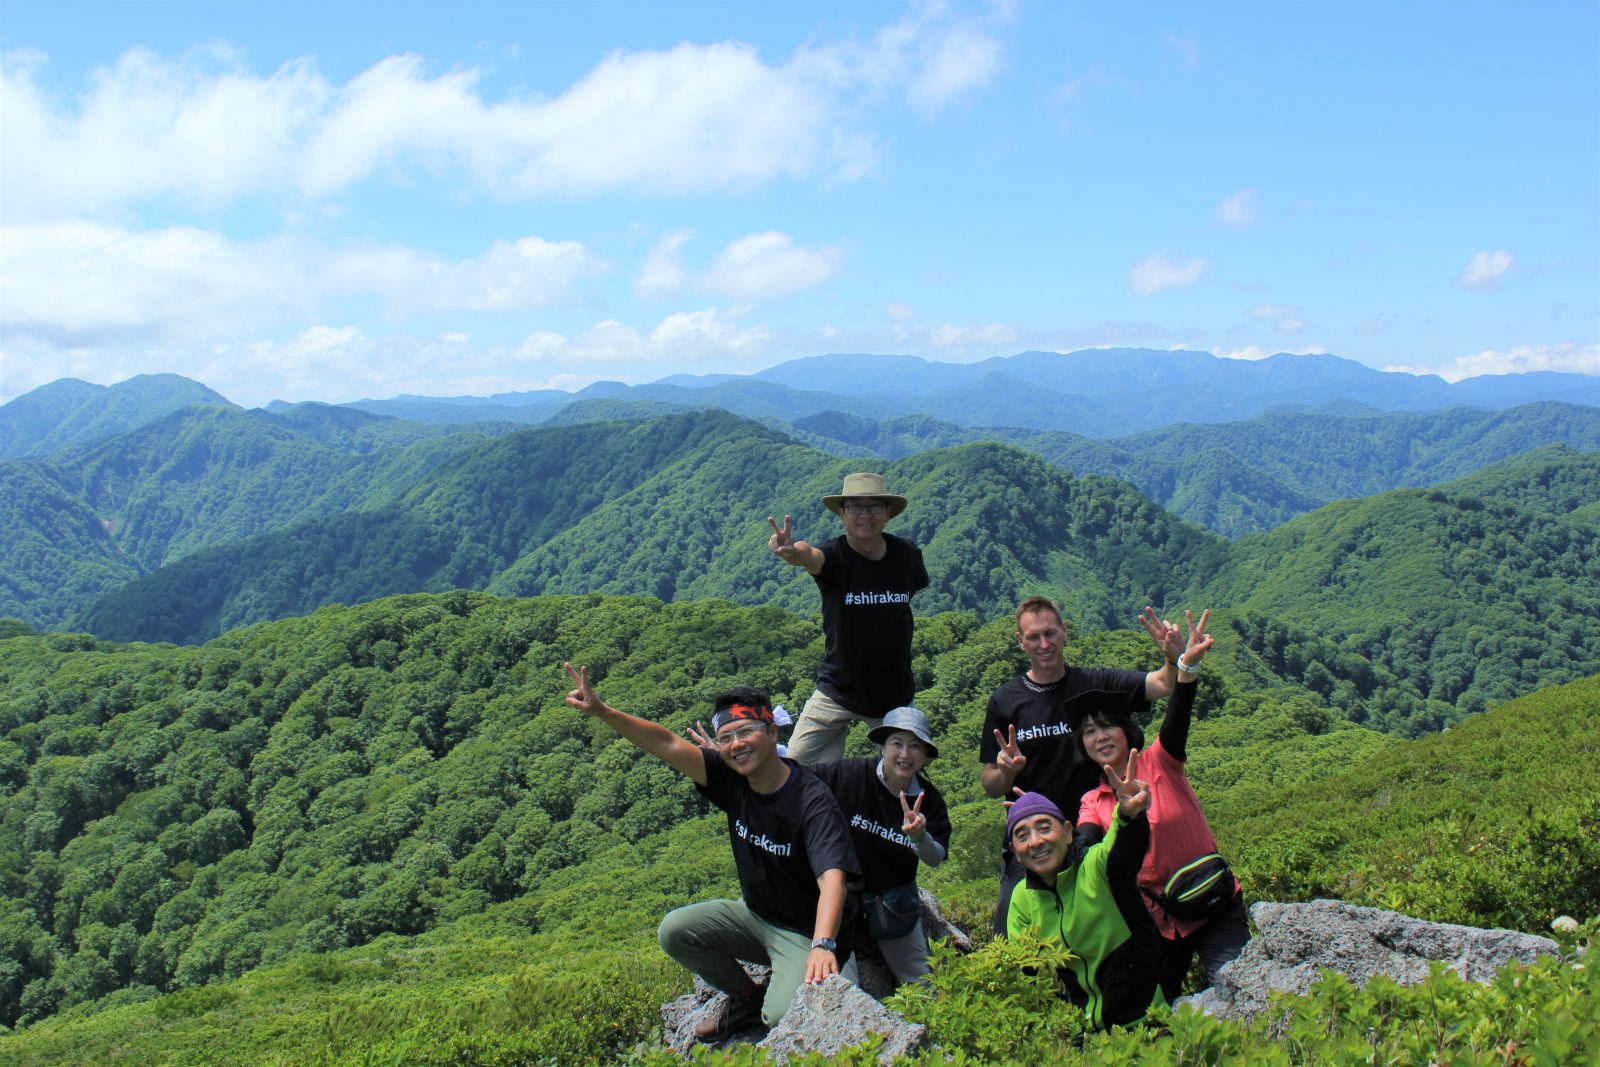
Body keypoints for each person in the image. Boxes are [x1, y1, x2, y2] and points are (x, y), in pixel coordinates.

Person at [562, 663, 859, 1041]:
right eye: (726, 737)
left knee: (783, 1014)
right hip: (758, 917)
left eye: (746, 731)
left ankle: (778, 993)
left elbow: (833, 879)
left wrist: (822, 945)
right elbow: (668, 744)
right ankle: (745, 996)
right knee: (675, 931)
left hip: (805, 931)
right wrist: (603, 711)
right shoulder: (732, 778)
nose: (737, 745)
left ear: (771, 732)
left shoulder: (811, 799)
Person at [689, 705, 951, 985]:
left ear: (925, 755)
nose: (904, 754)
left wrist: (919, 837)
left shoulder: (929, 801)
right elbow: (793, 777)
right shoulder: (850, 776)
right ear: (882, 747)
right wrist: (727, 763)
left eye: (915, 747)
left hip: (890, 903)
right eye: (896, 743)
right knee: (835, 983)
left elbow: (935, 857)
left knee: (920, 980)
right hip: (841, 896)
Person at [980, 596, 1184, 932]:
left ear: (1065, 632)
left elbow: (1164, 683)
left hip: (1098, 830)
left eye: (1050, 633)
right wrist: (1005, 770)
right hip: (1036, 836)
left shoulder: (1094, 685)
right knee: (1014, 927)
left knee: (1113, 924)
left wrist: (1172, 655)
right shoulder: (1005, 701)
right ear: (1020, 642)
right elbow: (990, 785)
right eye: (1033, 637)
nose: (1044, 644)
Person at [1074, 609, 1249, 1002]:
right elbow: (1084, 844)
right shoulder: (1093, 801)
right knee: (1157, 1019)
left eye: (1107, 726)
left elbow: (1179, 712)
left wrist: (1185, 664)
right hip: (1159, 924)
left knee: (1242, 990)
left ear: (1126, 730)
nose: (1100, 736)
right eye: (1089, 732)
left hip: (1214, 904)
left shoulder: (1161, 759)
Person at [767, 472, 930, 764]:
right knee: (793, 772)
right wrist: (792, 553)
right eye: (855, 506)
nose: (865, 515)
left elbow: (910, 592)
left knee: (907, 778)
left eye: (874, 506)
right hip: (836, 690)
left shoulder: (907, 556)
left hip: (893, 694)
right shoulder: (834, 556)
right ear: (842, 513)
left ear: (888, 512)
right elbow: (809, 555)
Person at [1003, 773, 1166, 1030]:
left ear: (1068, 832)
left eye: (1045, 828)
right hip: (1082, 1038)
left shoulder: (1097, 866)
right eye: (1022, 836)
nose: (1036, 842)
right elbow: (1025, 973)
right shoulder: (1022, 898)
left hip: (1145, 1023)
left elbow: (1122, 844)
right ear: (1015, 852)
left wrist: (1128, 814)